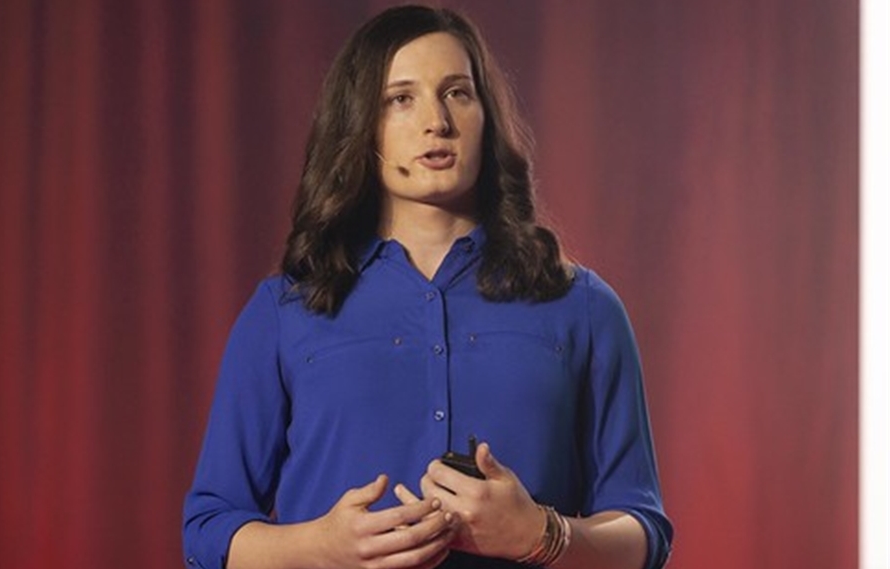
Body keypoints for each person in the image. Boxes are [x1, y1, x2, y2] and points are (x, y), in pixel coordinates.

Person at [182, 5, 673, 569]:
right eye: (401, 98)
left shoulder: (582, 307)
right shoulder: (285, 310)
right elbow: (207, 531)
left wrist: (541, 534)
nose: (435, 121)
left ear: (486, 115)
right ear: (363, 126)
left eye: (458, 93)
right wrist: (320, 549)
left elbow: (644, 534)